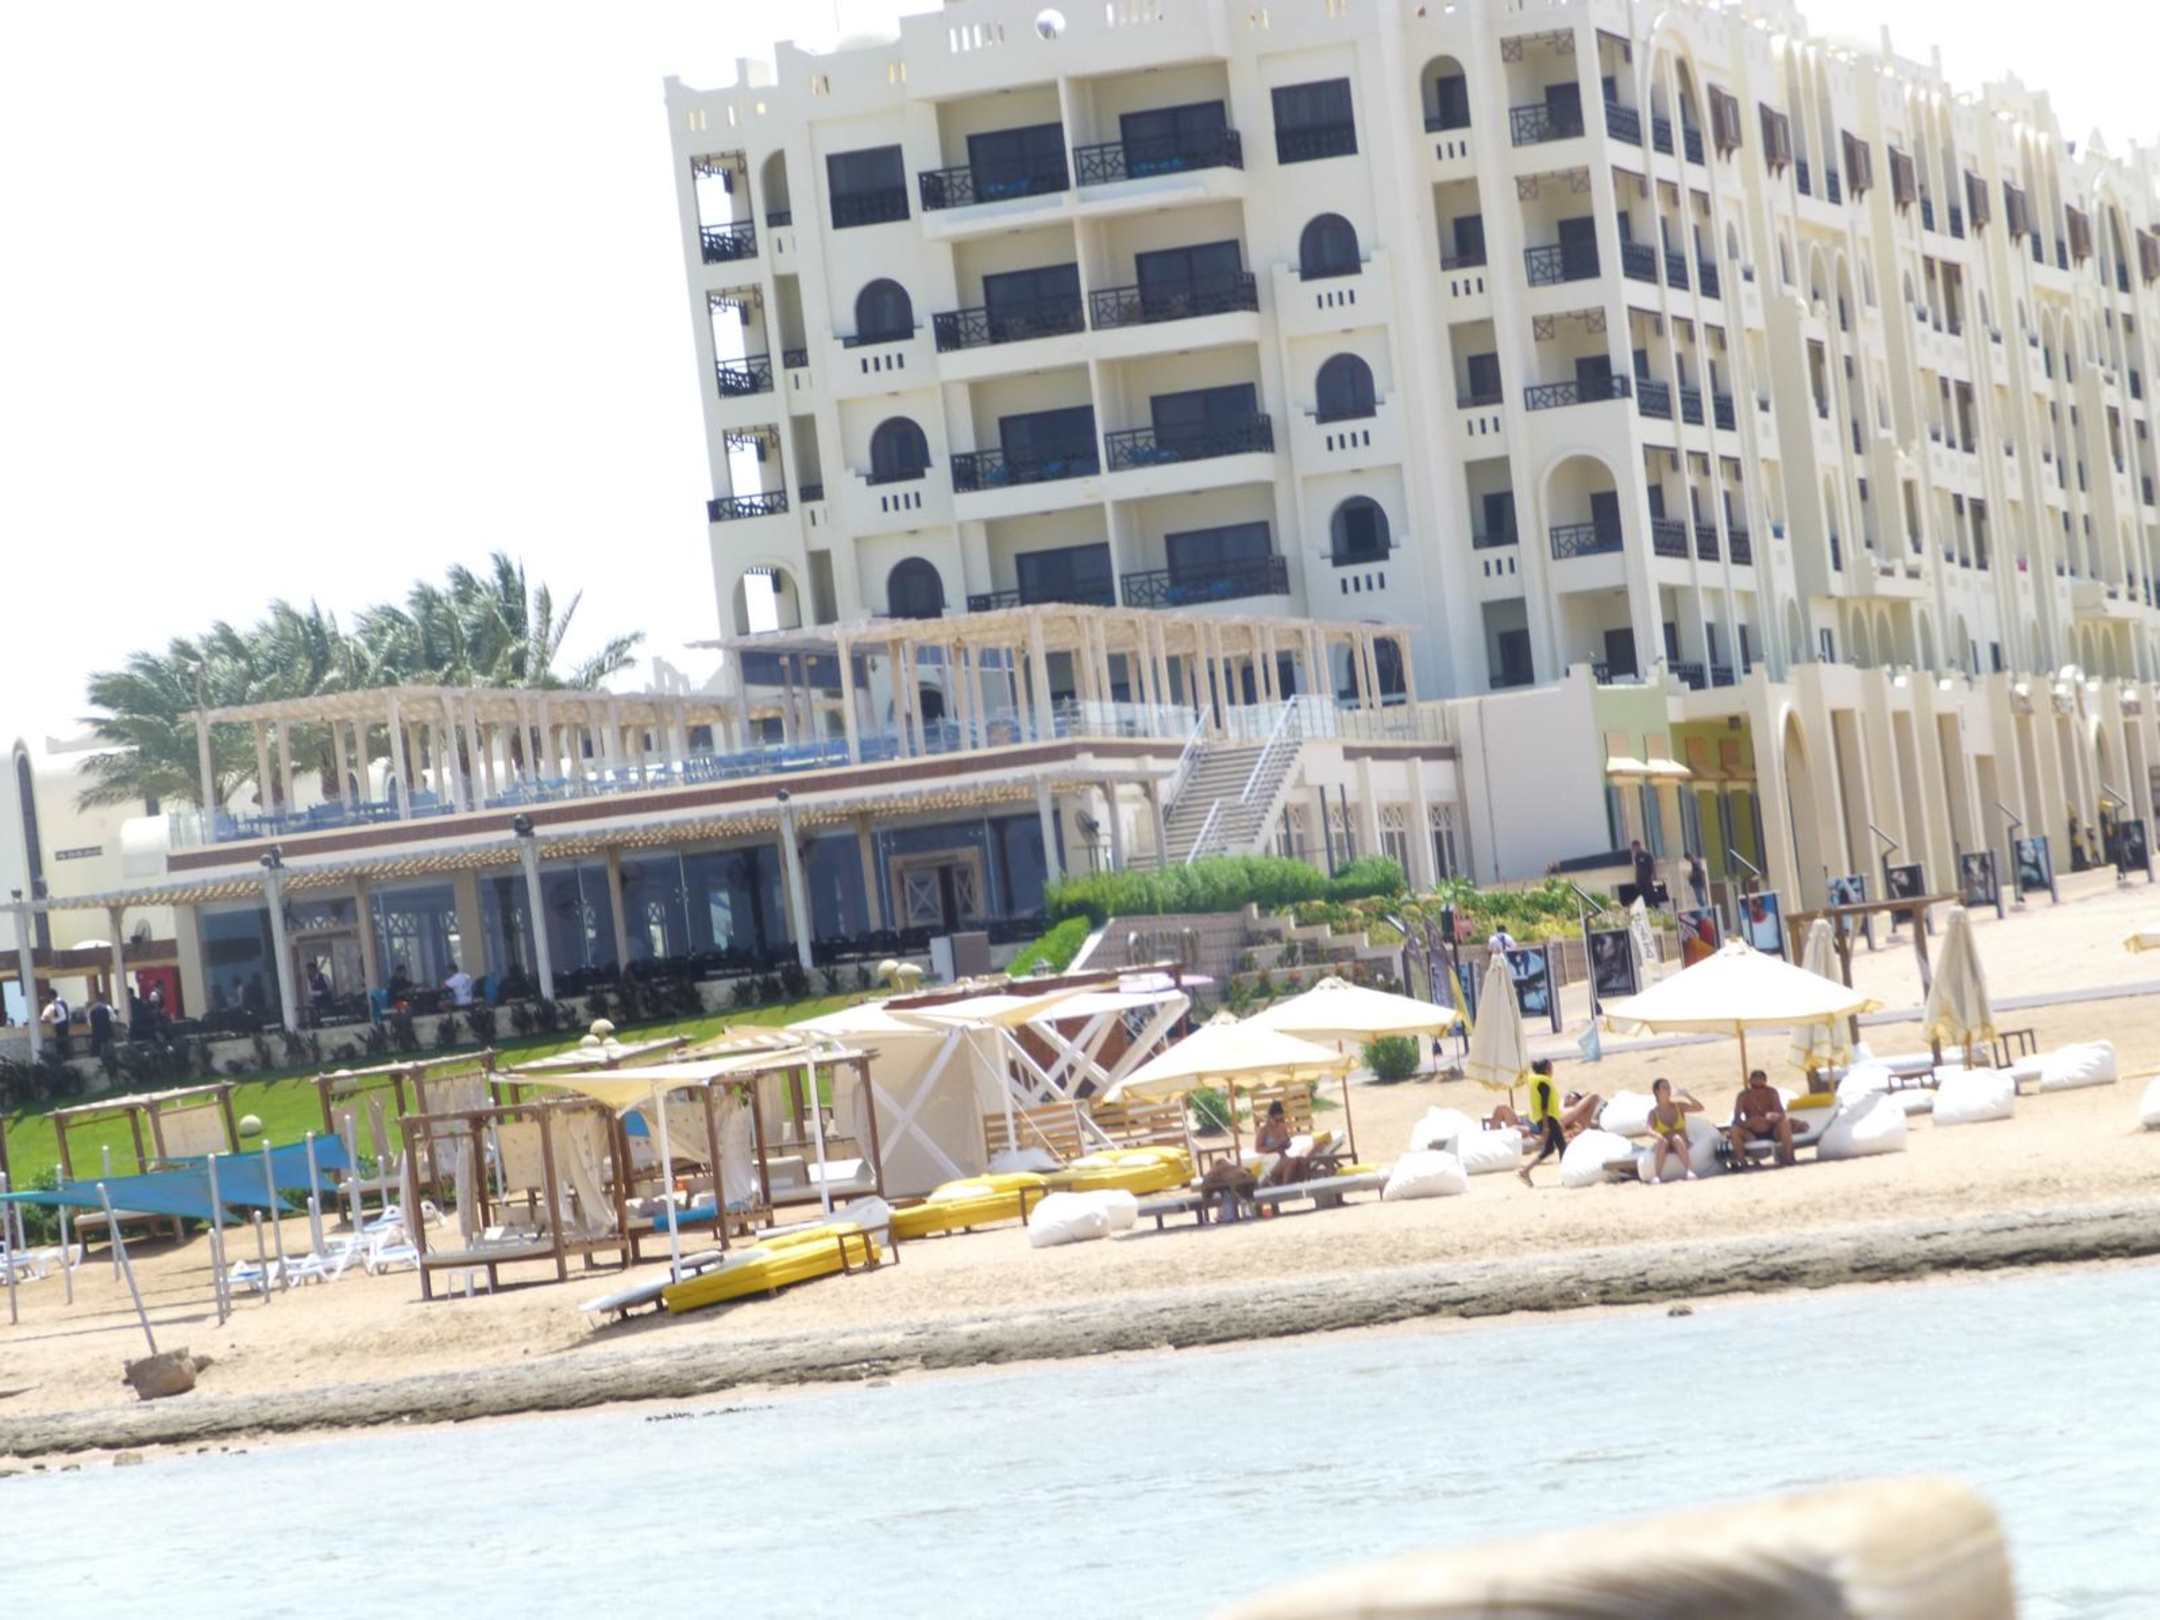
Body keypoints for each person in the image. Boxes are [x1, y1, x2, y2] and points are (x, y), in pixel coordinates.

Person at [1727, 1067, 1797, 1168]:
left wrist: (1772, 1117)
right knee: (1734, 1130)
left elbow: (1781, 1114)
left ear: (1765, 1082)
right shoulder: (1743, 1096)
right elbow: (1736, 1120)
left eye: (1761, 1087)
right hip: (1752, 1133)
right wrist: (1748, 1123)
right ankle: (1742, 1162)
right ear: (1750, 1082)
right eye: (1755, 1086)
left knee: (1784, 1123)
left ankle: (1788, 1157)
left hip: (1771, 1130)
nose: (1758, 1090)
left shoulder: (1771, 1093)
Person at [1516, 1059, 1569, 1186]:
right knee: (1562, 1146)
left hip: (1546, 1119)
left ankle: (1524, 1171)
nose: (1552, 1070)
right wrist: (1545, 1126)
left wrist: (1555, 1122)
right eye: (1551, 1067)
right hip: (1547, 1119)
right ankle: (1566, 1176)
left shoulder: (1539, 1081)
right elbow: (1544, 1105)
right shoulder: (1543, 1083)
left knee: (1549, 1149)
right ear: (1546, 1070)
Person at [1646, 1077, 1704, 1183]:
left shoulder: (1678, 1106)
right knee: (1662, 1142)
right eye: (1665, 1087)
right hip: (1665, 1145)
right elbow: (1649, 1130)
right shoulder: (1653, 1113)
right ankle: (1657, 1176)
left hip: (1682, 1142)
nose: (1669, 1090)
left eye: (1669, 1087)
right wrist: (1658, 1136)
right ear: (1657, 1092)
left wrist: (1687, 1096)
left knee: (1676, 1138)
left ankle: (1689, 1171)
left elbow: (1699, 1108)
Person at [1253, 1100, 1307, 1186]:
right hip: (1271, 1160)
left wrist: (1287, 1144)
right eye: (1277, 1120)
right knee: (1292, 1161)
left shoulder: (1282, 1127)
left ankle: (1303, 1185)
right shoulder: (1264, 1130)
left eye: (1282, 1120)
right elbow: (1258, 1149)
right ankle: (1285, 1186)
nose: (1279, 1122)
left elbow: (1286, 1143)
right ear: (1270, 1117)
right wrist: (1276, 1145)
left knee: (1301, 1160)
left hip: (1283, 1156)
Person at [40, 991, 71, 1058]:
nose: (49, 998)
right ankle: (66, 1057)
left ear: (52, 996)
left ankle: (63, 1058)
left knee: (60, 1045)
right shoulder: (63, 1002)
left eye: (49, 997)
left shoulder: (57, 1004)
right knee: (64, 1044)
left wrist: (50, 1020)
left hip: (60, 1027)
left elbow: (52, 1016)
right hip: (65, 1026)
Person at [1630, 839, 1658, 905]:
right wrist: (1637, 880)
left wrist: (1653, 877)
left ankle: (1654, 907)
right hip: (1640, 881)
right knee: (1643, 898)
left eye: (1634, 847)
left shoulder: (1647, 855)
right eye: (1633, 848)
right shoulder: (1636, 856)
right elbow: (1637, 869)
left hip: (1647, 879)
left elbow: (1652, 866)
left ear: (1638, 846)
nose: (1634, 850)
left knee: (1650, 896)